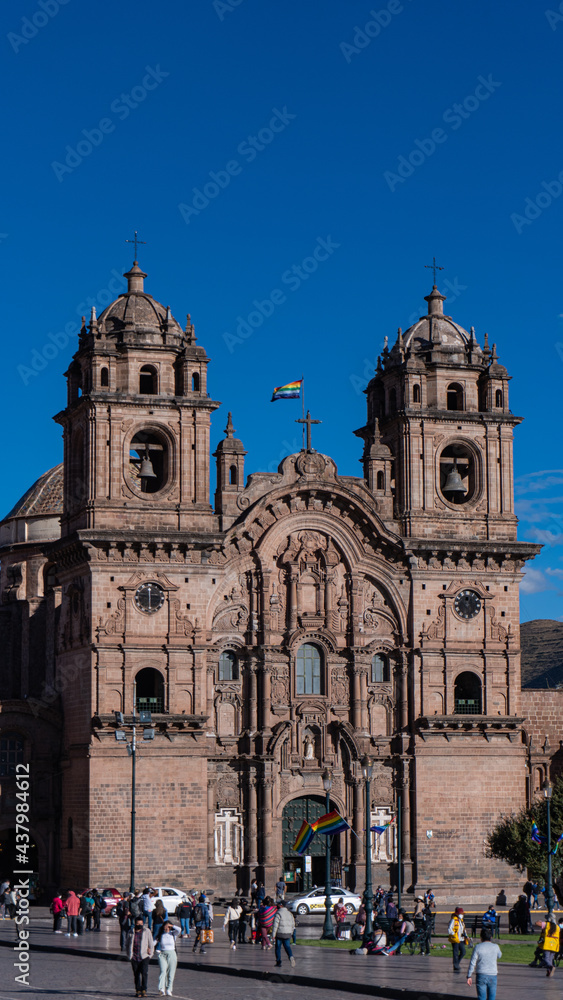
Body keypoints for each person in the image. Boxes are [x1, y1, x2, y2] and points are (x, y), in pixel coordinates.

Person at [467, 926, 502, 1000]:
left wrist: (469, 976)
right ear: (491, 937)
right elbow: (499, 955)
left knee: (481, 997)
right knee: (491, 997)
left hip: (481, 974)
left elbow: (473, 962)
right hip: (493, 974)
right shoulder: (496, 947)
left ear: (481, 938)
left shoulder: (478, 947)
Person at [127, 914, 154, 998]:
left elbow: (151, 943)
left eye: (141, 924)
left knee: (144, 973)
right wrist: (129, 955)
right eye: (138, 924)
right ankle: (138, 990)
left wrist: (150, 955)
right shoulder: (131, 932)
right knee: (136, 974)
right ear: (135, 924)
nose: (140, 925)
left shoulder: (147, 931)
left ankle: (144, 989)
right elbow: (128, 944)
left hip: (144, 956)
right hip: (134, 956)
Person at [155, 919, 180, 996]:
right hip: (162, 954)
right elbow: (153, 943)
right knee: (163, 970)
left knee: (171, 973)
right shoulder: (161, 935)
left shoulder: (173, 934)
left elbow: (179, 929)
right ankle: (161, 989)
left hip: (172, 953)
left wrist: (171, 925)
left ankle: (169, 989)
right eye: (165, 927)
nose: (166, 928)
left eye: (168, 927)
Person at [272, 900, 296, 967]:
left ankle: (278, 962)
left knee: (278, 948)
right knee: (287, 947)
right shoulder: (289, 913)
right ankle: (291, 957)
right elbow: (292, 924)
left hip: (279, 933)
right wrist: (291, 932)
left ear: (281, 905)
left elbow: (275, 925)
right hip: (287, 933)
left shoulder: (278, 913)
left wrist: (273, 935)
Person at [448, 906, 469, 974]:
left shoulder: (461, 921)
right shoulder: (453, 920)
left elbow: (464, 930)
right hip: (455, 939)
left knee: (463, 952)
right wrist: (454, 934)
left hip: (462, 939)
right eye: (461, 913)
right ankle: (456, 965)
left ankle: (457, 963)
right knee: (455, 952)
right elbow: (449, 929)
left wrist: (466, 936)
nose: (462, 915)